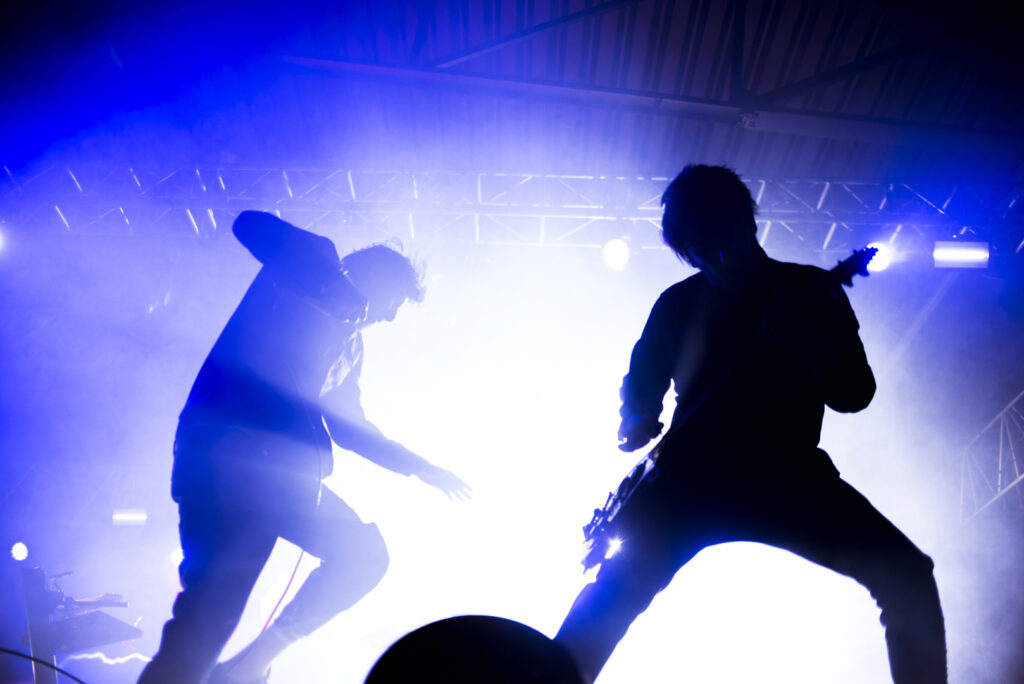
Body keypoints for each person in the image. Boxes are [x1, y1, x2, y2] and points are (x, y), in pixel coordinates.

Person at [554, 165, 946, 683]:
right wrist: (637, 418)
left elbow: (857, 393)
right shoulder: (676, 305)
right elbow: (639, 386)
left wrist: (813, 352)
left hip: (788, 476)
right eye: (695, 251)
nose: (711, 258)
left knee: (908, 575)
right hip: (686, 482)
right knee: (604, 600)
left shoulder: (810, 289)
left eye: (717, 241)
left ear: (746, 224)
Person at [138, 211, 471, 684]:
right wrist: (318, 269)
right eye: (395, 300)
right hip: (224, 462)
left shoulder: (350, 345)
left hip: (278, 483)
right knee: (207, 620)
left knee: (362, 555)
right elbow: (246, 224)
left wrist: (420, 467)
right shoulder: (311, 265)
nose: (393, 315)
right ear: (372, 277)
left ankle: (249, 665)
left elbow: (350, 427)